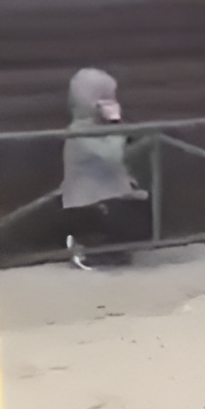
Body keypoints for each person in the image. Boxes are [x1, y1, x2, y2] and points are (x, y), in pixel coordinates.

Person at [62, 67, 149, 269]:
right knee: (124, 217)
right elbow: (113, 154)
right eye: (106, 97)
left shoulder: (101, 127)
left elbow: (129, 145)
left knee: (141, 215)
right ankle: (85, 250)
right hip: (86, 200)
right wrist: (116, 122)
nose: (113, 102)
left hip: (112, 193)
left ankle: (113, 252)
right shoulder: (78, 131)